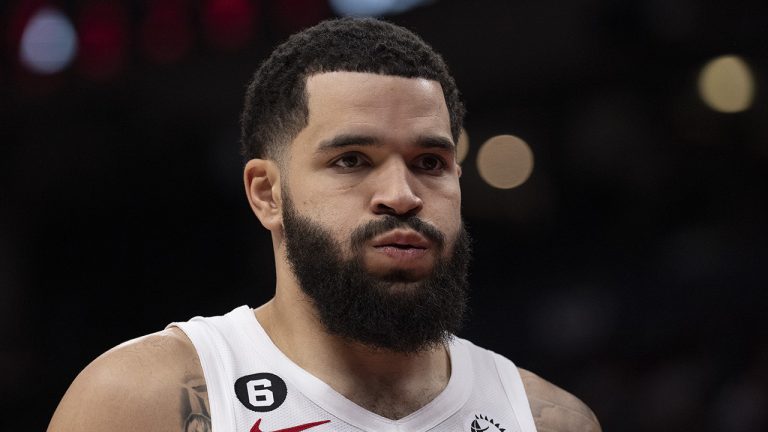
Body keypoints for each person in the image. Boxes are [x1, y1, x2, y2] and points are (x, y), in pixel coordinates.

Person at [48, 17, 601, 432]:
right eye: (352, 160)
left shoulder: (551, 420)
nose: (402, 196)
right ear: (267, 193)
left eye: (429, 163)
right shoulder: (139, 401)